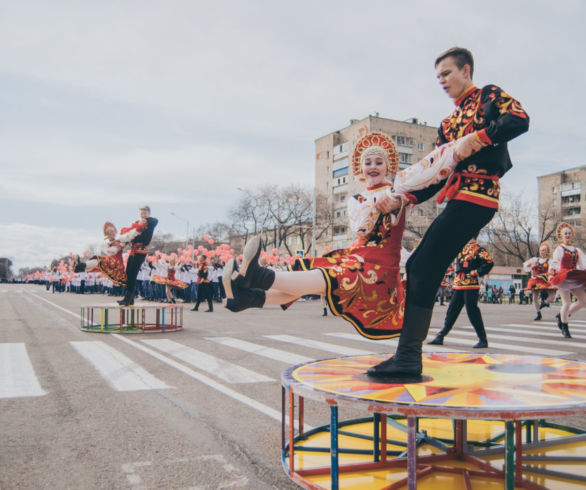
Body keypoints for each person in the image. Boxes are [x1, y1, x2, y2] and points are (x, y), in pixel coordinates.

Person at [366, 46, 529, 378]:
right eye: (438, 76)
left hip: (478, 197)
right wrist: (402, 199)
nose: (441, 80)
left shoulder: (489, 95)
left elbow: (519, 120)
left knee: (422, 265)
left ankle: (409, 358)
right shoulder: (447, 124)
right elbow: (437, 175)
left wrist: (480, 138)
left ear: (466, 70)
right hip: (459, 198)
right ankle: (407, 355)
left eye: (447, 73)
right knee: (421, 266)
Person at [223, 132, 420, 340]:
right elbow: (360, 229)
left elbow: (408, 204)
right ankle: (244, 298)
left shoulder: (398, 195)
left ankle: (257, 276)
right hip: (356, 256)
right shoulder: (357, 199)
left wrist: (395, 199)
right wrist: (377, 204)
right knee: (307, 272)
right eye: (368, 162)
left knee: (326, 279)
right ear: (360, 169)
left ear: (388, 167)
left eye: (379, 162)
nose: (373, 166)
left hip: (377, 269)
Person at [427, 238, 493, 348]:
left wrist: (476, 272)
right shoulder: (460, 249)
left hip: (471, 284)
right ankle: (441, 335)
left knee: (472, 311)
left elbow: (489, 262)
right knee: (452, 310)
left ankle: (483, 339)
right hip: (458, 284)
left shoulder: (478, 249)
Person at [549, 222, 586, 338]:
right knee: (566, 302)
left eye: (569, 233)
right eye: (566, 233)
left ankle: (562, 316)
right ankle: (564, 326)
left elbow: (582, 263)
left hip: (574, 276)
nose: (568, 235)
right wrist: (552, 273)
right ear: (562, 236)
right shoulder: (559, 249)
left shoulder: (577, 250)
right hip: (563, 277)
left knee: (584, 301)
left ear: (572, 235)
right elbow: (555, 262)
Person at [118, 206, 158, 306]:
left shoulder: (150, 222)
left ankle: (128, 298)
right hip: (133, 250)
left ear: (149, 213)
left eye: (145, 212)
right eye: (141, 212)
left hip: (141, 251)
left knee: (133, 273)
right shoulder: (138, 223)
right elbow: (131, 235)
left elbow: (154, 221)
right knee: (128, 273)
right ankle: (129, 297)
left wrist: (145, 221)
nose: (142, 214)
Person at [523, 242, 556, 320]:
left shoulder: (549, 261)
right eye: (541, 250)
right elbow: (526, 264)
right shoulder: (535, 259)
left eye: (544, 250)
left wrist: (550, 275)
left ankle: (545, 303)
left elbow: (552, 269)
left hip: (545, 279)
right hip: (536, 279)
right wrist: (530, 269)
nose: (542, 252)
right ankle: (538, 313)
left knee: (552, 295)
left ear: (547, 251)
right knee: (535, 297)